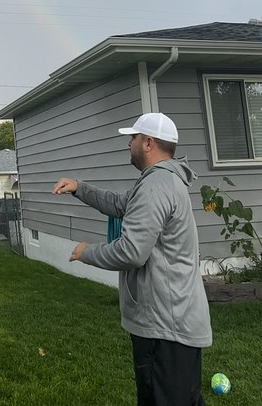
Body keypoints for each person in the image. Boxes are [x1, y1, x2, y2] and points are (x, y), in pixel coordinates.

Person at [52, 112, 212, 405]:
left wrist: (87, 252)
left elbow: (132, 251)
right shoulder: (160, 181)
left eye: (134, 137)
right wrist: (80, 187)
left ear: (148, 143)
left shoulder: (156, 186)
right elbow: (117, 204)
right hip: (174, 322)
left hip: (164, 327)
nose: (129, 143)